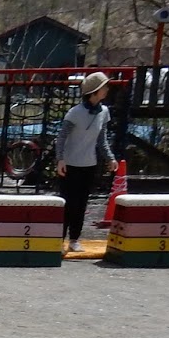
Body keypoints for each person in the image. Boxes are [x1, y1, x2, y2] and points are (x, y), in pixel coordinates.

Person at [53, 70, 116, 252]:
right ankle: (59, 239)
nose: (107, 90)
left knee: (81, 204)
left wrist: (110, 158)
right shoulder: (75, 112)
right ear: (94, 91)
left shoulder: (104, 112)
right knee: (67, 203)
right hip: (70, 164)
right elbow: (61, 137)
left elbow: (102, 140)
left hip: (89, 164)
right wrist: (60, 159)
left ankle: (74, 239)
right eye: (104, 87)